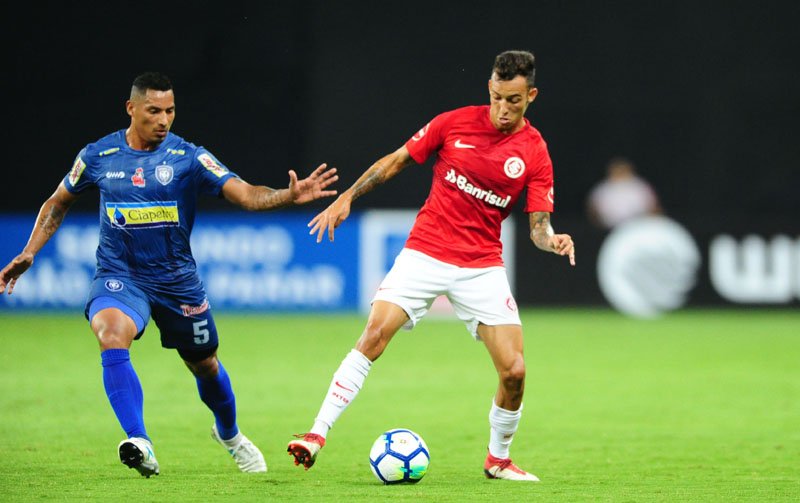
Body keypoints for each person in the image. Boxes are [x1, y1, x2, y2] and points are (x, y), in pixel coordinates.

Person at [0, 72, 337, 477]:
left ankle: (229, 435)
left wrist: (287, 195)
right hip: (120, 274)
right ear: (131, 109)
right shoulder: (97, 157)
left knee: (206, 365)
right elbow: (58, 202)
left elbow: (246, 194)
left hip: (177, 281)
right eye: (154, 110)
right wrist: (29, 252)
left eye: (170, 111)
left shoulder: (189, 158)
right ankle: (139, 440)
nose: (164, 119)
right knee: (110, 331)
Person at [287, 50, 575, 482]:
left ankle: (497, 459)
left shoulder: (534, 152)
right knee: (373, 335)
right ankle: (316, 434)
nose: (501, 109)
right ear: (489, 88)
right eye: (496, 97)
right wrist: (347, 196)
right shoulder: (453, 123)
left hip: (481, 265)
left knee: (514, 371)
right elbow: (396, 160)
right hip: (425, 251)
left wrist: (551, 241)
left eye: (513, 101)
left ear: (530, 95)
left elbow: (538, 227)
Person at [586, 156, 661, 229]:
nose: (620, 172)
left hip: (637, 227)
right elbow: (592, 210)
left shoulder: (640, 186)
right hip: (608, 229)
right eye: (617, 170)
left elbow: (654, 207)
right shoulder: (602, 188)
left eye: (623, 169)